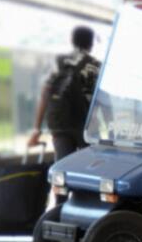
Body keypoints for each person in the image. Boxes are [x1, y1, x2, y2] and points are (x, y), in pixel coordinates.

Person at [28, 25, 101, 159]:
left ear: (72, 40)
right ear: (91, 43)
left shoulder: (56, 61)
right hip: (86, 125)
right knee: (90, 168)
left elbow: (45, 95)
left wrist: (36, 129)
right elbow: (101, 100)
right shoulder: (95, 65)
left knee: (63, 167)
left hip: (59, 123)